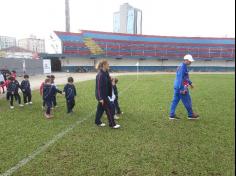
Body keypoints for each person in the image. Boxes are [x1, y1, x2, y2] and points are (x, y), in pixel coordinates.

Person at [169, 54, 199, 120]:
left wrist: (190, 83)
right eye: (190, 61)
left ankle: (171, 114)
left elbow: (185, 77)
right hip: (181, 86)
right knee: (187, 100)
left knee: (175, 100)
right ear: (186, 60)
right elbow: (180, 78)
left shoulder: (182, 66)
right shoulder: (183, 67)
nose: (191, 62)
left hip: (177, 86)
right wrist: (182, 89)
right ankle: (190, 115)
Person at [95, 60, 120, 129]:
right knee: (110, 109)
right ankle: (112, 124)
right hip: (102, 96)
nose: (109, 65)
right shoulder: (100, 75)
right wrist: (100, 98)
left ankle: (97, 121)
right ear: (103, 65)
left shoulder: (106, 72)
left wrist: (111, 78)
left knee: (100, 109)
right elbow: (99, 88)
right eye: (107, 64)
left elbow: (108, 79)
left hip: (105, 94)